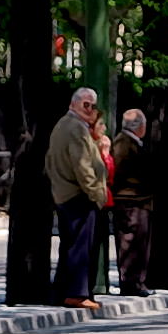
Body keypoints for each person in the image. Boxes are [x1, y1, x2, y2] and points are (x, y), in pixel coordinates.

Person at [45, 87, 108, 309]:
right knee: (80, 247)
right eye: (85, 104)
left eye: (93, 105)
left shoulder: (64, 125)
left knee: (70, 246)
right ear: (73, 104)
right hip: (78, 196)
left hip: (67, 194)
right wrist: (96, 194)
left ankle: (62, 292)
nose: (90, 109)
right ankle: (77, 293)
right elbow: (82, 167)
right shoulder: (75, 128)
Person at [111, 109, 154, 296]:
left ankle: (136, 282)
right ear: (140, 127)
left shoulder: (130, 142)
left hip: (137, 199)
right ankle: (131, 283)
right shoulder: (123, 143)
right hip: (130, 200)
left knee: (139, 241)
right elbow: (119, 170)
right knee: (130, 241)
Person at [90, 110, 114, 296]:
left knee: (100, 242)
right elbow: (105, 174)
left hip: (105, 200)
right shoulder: (91, 147)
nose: (104, 129)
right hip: (95, 199)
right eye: (101, 125)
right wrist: (105, 155)